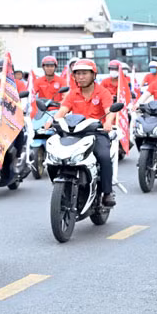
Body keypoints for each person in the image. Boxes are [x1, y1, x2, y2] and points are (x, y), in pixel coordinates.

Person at [48, 59, 117, 206]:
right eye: (78, 74)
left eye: (84, 73)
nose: (81, 77)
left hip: (97, 133)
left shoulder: (103, 92)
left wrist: (108, 122)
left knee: (104, 157)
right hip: (75, 133)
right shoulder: (73, 94)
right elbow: (62, 111)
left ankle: (107, 192)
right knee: (55, 156)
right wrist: (51, 121)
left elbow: (109, 111)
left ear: (93, 75)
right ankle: (60, 184)